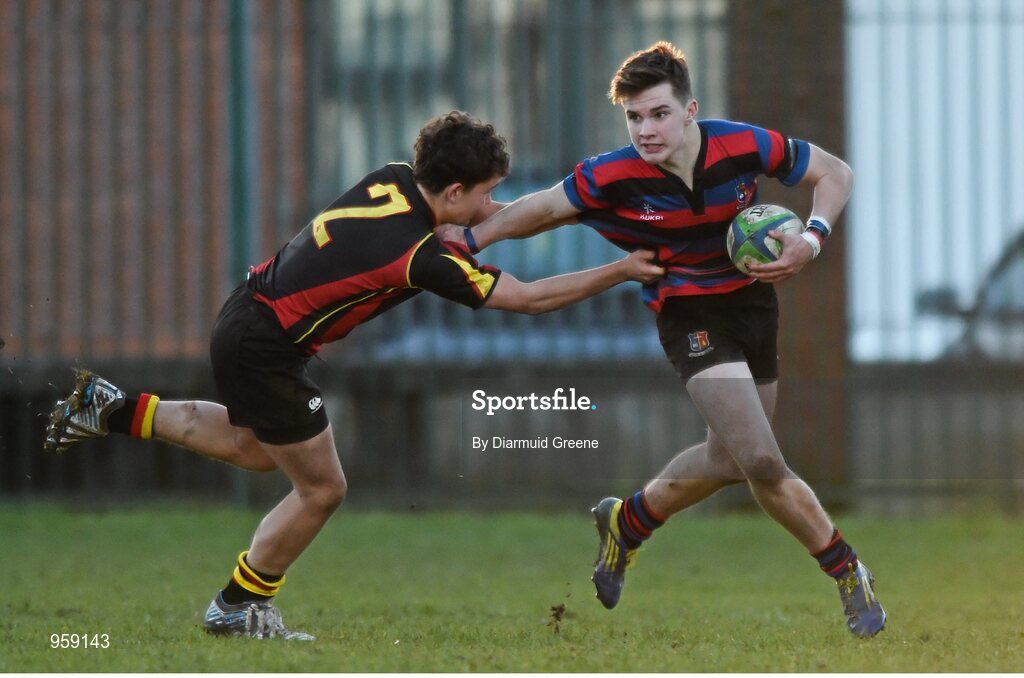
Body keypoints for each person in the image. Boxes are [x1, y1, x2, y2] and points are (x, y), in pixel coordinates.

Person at [44, 111, 666, 641]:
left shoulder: (394, 179)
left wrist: (582, 210)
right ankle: (237, 606)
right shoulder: (418, 258)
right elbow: (528, 299)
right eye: (481, 195)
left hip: (246, 314)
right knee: (322, 489)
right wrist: (619, 271)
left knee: (253, 448)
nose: (487, 207)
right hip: (265, 347)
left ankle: (110, 407)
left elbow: (481, 220)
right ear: (451, 192)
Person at [445, 43, 886, 638]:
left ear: (690, 111)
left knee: (727, 459)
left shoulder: (743, 144)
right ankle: (848, 571)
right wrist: (474, 242)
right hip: (687, 312)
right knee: (759, 458)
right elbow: (545, 208)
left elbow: (836, 172)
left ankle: (628, 522)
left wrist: (812, 236)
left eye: (657, 113)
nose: (645, 130)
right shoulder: (613, 174)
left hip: (753, 304)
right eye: (633, 117)